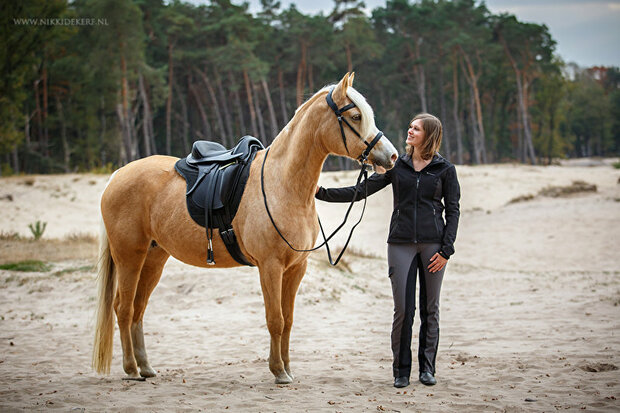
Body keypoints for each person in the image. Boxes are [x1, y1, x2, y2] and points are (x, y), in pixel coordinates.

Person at [315, 113, 460, 388]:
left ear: (429, 135)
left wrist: (446, 250)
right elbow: (361, 190)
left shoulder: (445, 170)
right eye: (410, 126)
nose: (410, 131)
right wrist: (322, 192)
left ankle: (427, 369)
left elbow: (453, 211)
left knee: (431, 309)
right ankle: (401, 371)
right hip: (400, 244)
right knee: (403, 310)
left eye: (416, 128)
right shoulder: (398, 167)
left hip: (433, 246)